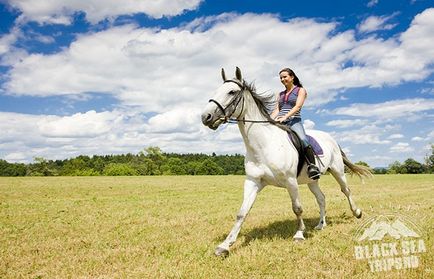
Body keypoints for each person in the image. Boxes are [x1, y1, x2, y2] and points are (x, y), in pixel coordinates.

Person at [270, 68, 321, 180]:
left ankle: (312, 167)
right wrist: (269, 120)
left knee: (303, 139)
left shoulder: (300, 90)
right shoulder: (280, 94)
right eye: (281, 78)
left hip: (294, 121)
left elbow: (297, 106)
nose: (282, 79)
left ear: (292, 77)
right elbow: (277, 110)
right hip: (280, 121)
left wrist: (285, 117)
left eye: (285, 77)